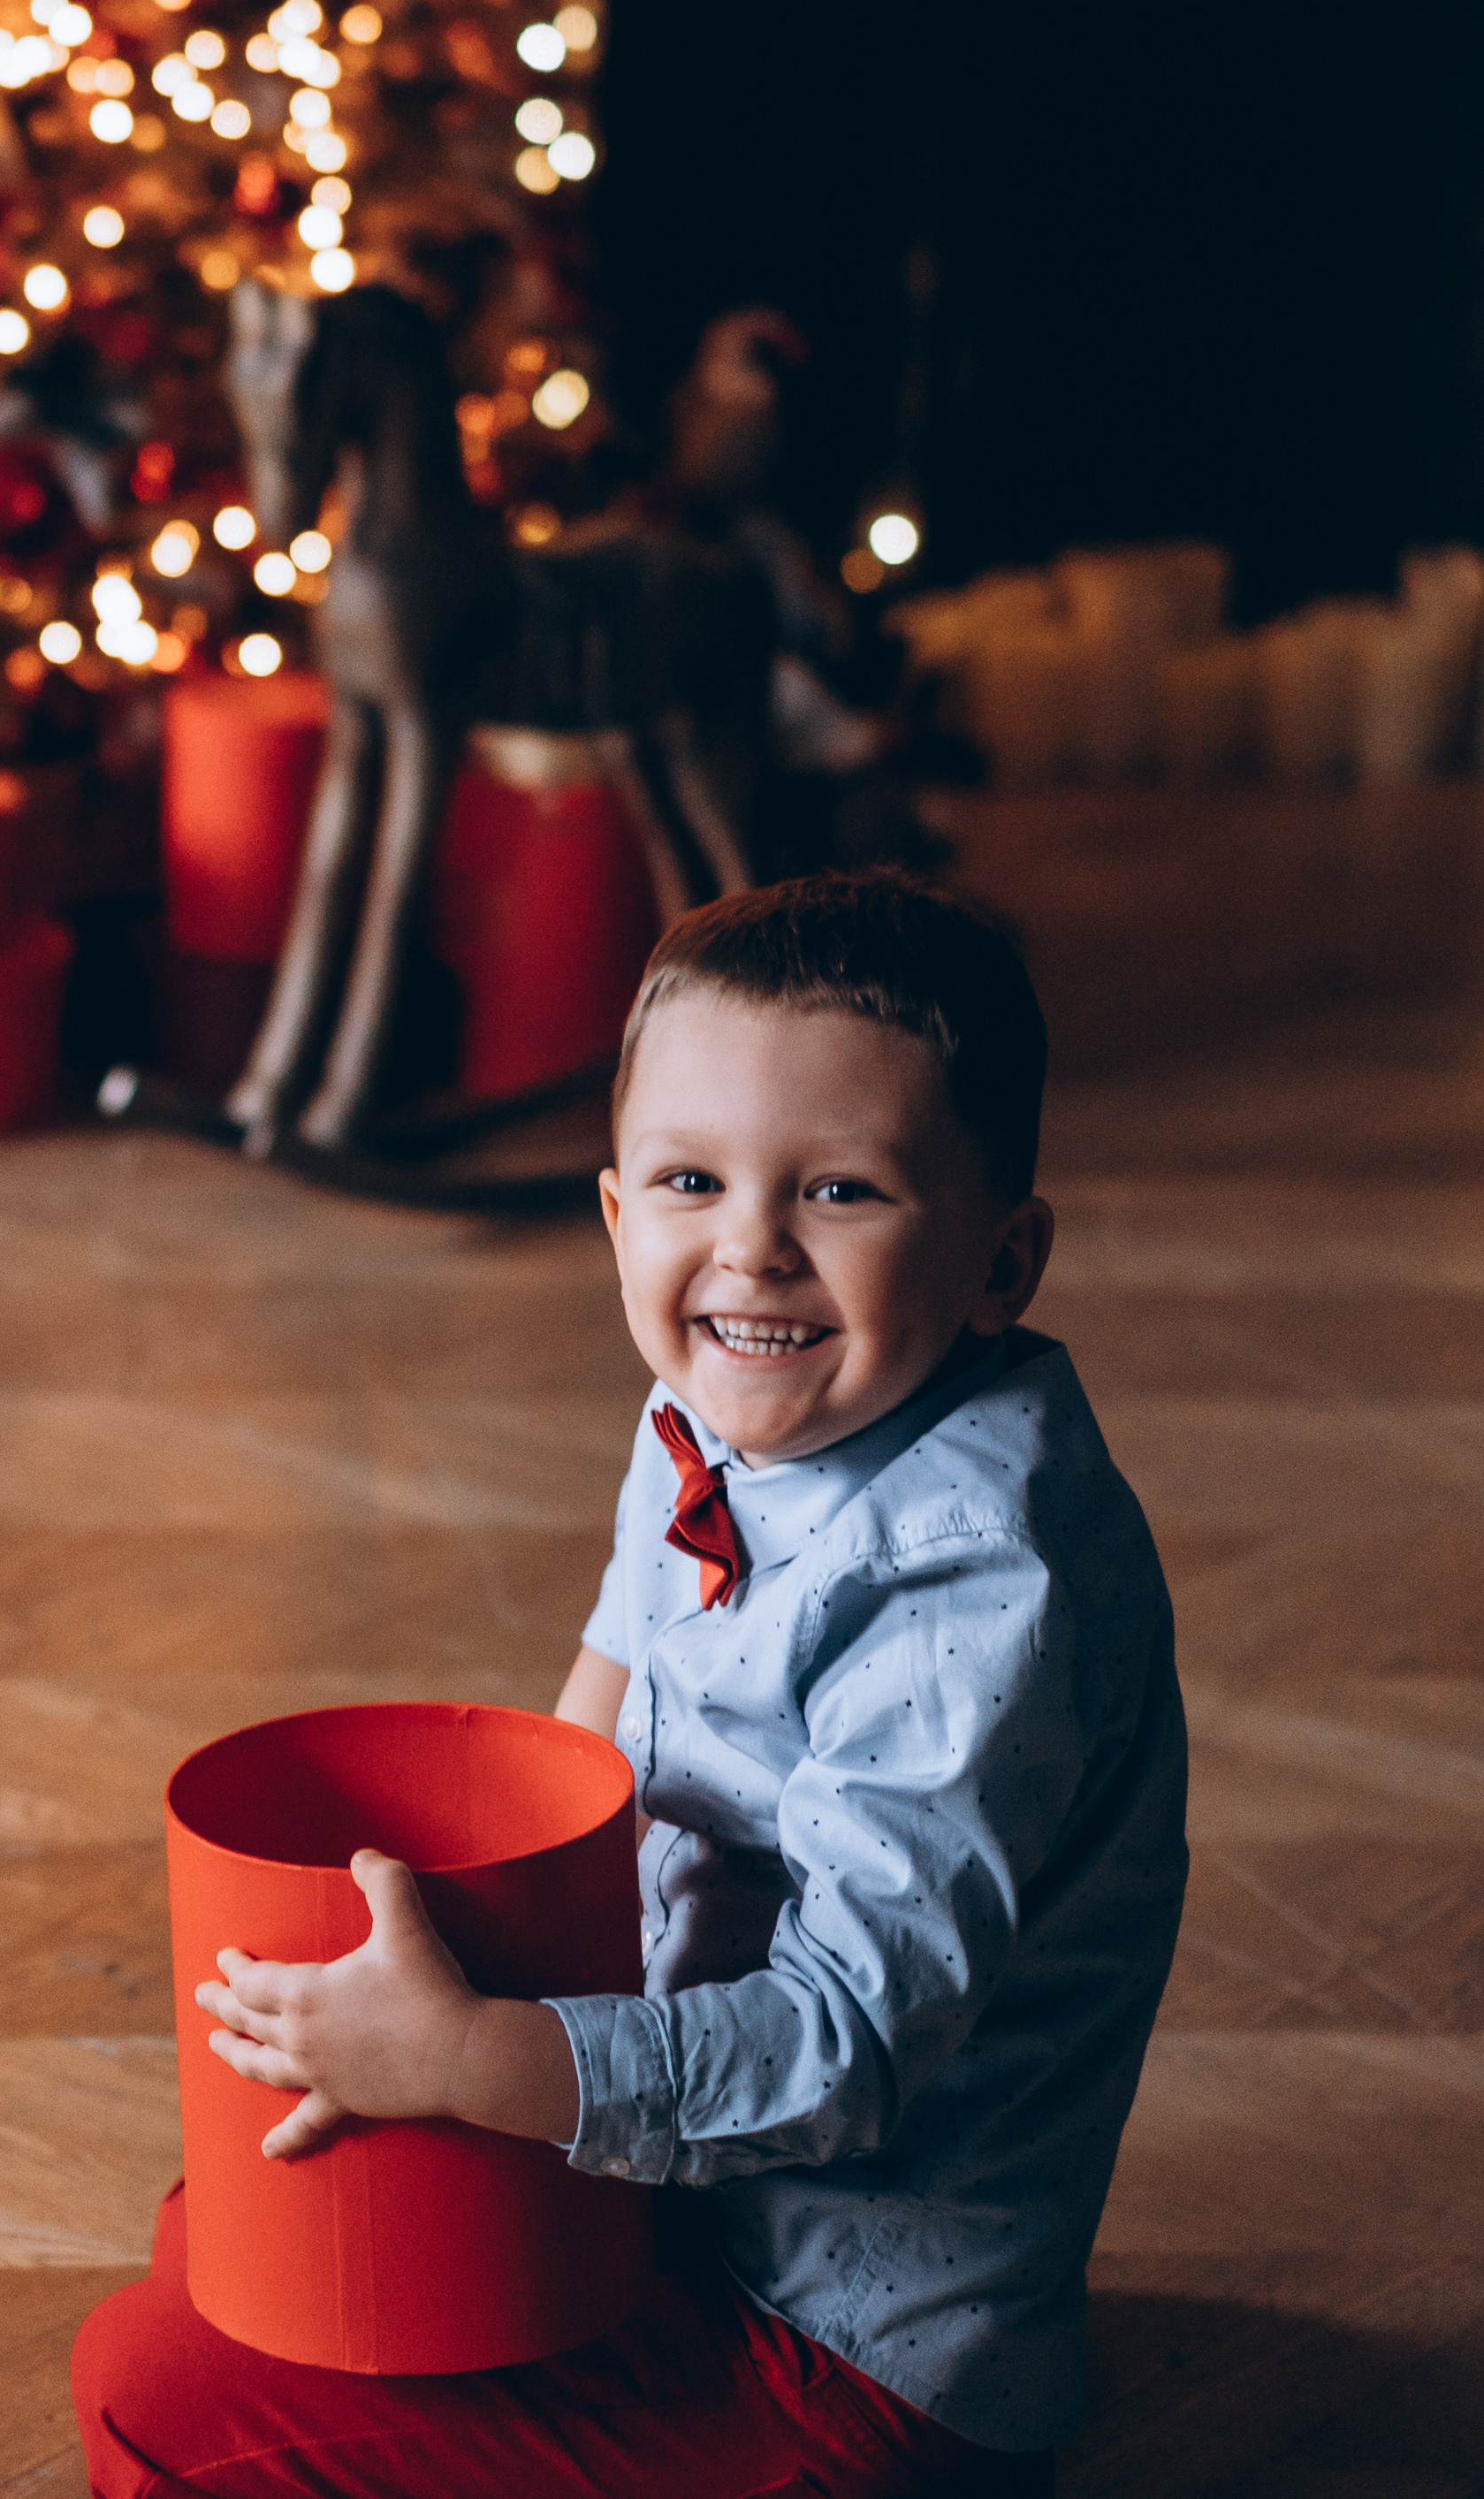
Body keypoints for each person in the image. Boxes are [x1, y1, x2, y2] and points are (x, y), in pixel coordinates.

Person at [72, 873, 1189, 2496]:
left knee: (150, 2391)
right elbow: (603, 1696)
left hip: (841, 2347)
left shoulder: (973, 1585)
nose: (749, 1248)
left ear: (999, 1260)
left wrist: (466, 2064)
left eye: (841, 1190)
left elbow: (842, 2047)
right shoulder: (720, 1404)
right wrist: (439, 1978)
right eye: (690, 1178)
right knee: (233, 2235)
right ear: (616, 1217)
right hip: (671, 2170)